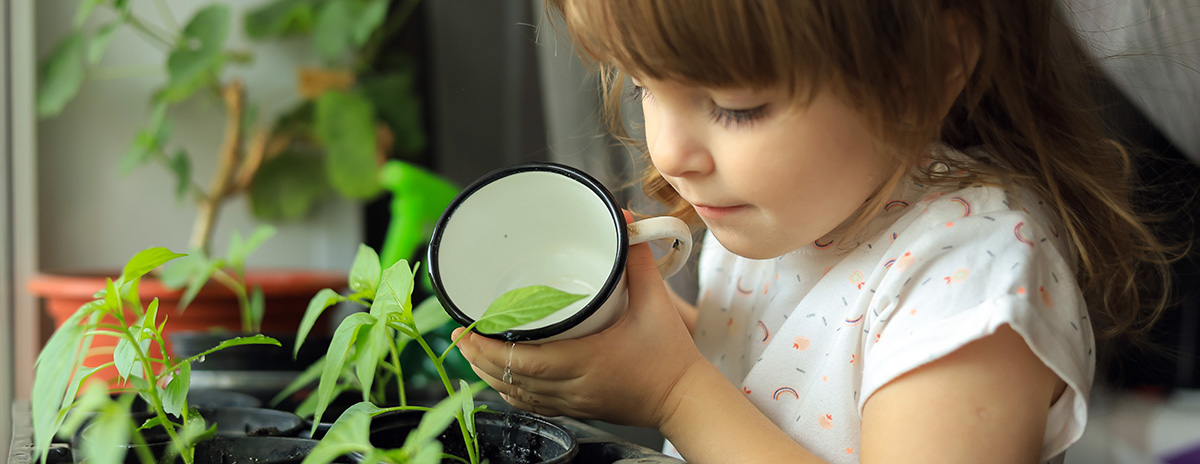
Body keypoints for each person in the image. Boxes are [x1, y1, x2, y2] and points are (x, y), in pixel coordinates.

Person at [451, 1, 1176, 462]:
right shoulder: (805, 203)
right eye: (642, 86)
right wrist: (668, 336)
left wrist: (673, 392)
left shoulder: (972, 287)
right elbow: (798, 379)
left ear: (926, 67)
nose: (667, 151)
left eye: (735, 104)